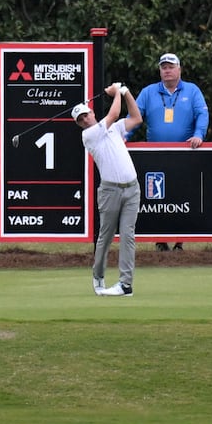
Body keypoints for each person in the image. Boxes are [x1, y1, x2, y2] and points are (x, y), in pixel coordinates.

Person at [135, 51, 209, 249]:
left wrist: (199, 134)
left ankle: (179, 241)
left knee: (183, 195)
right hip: (155, 155)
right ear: (160, 71)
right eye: (164, 67)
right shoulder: (148, 92)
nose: (167, 71)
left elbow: (202, 114)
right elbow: (135, 116)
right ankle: (160, 239)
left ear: (179, 69)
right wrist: (123, 135)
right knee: (156, 197)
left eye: (171, 67)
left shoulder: (192, 90)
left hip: (184, 153)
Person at [78, 82, 143, 296]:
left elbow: (136, 118)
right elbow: (114, 113)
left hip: (132, 189)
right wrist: (116, 93)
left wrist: (125, 92)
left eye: (86, 115)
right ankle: (98, 275)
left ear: (92, 113)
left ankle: (125, 284)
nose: (85, 119)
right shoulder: (89, 136)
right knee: (105, 236)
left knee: (128, 235)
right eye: (80, 119)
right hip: (110, 191)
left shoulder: (114, 128)